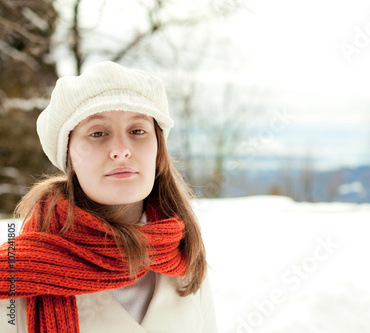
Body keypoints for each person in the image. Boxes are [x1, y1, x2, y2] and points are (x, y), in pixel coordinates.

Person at [0, 61, 217, 333]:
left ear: (158, 150)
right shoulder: (14, 279)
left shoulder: (185, 256)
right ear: (70, 157)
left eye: (137, 131)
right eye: (98, 133)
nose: (121, 150)